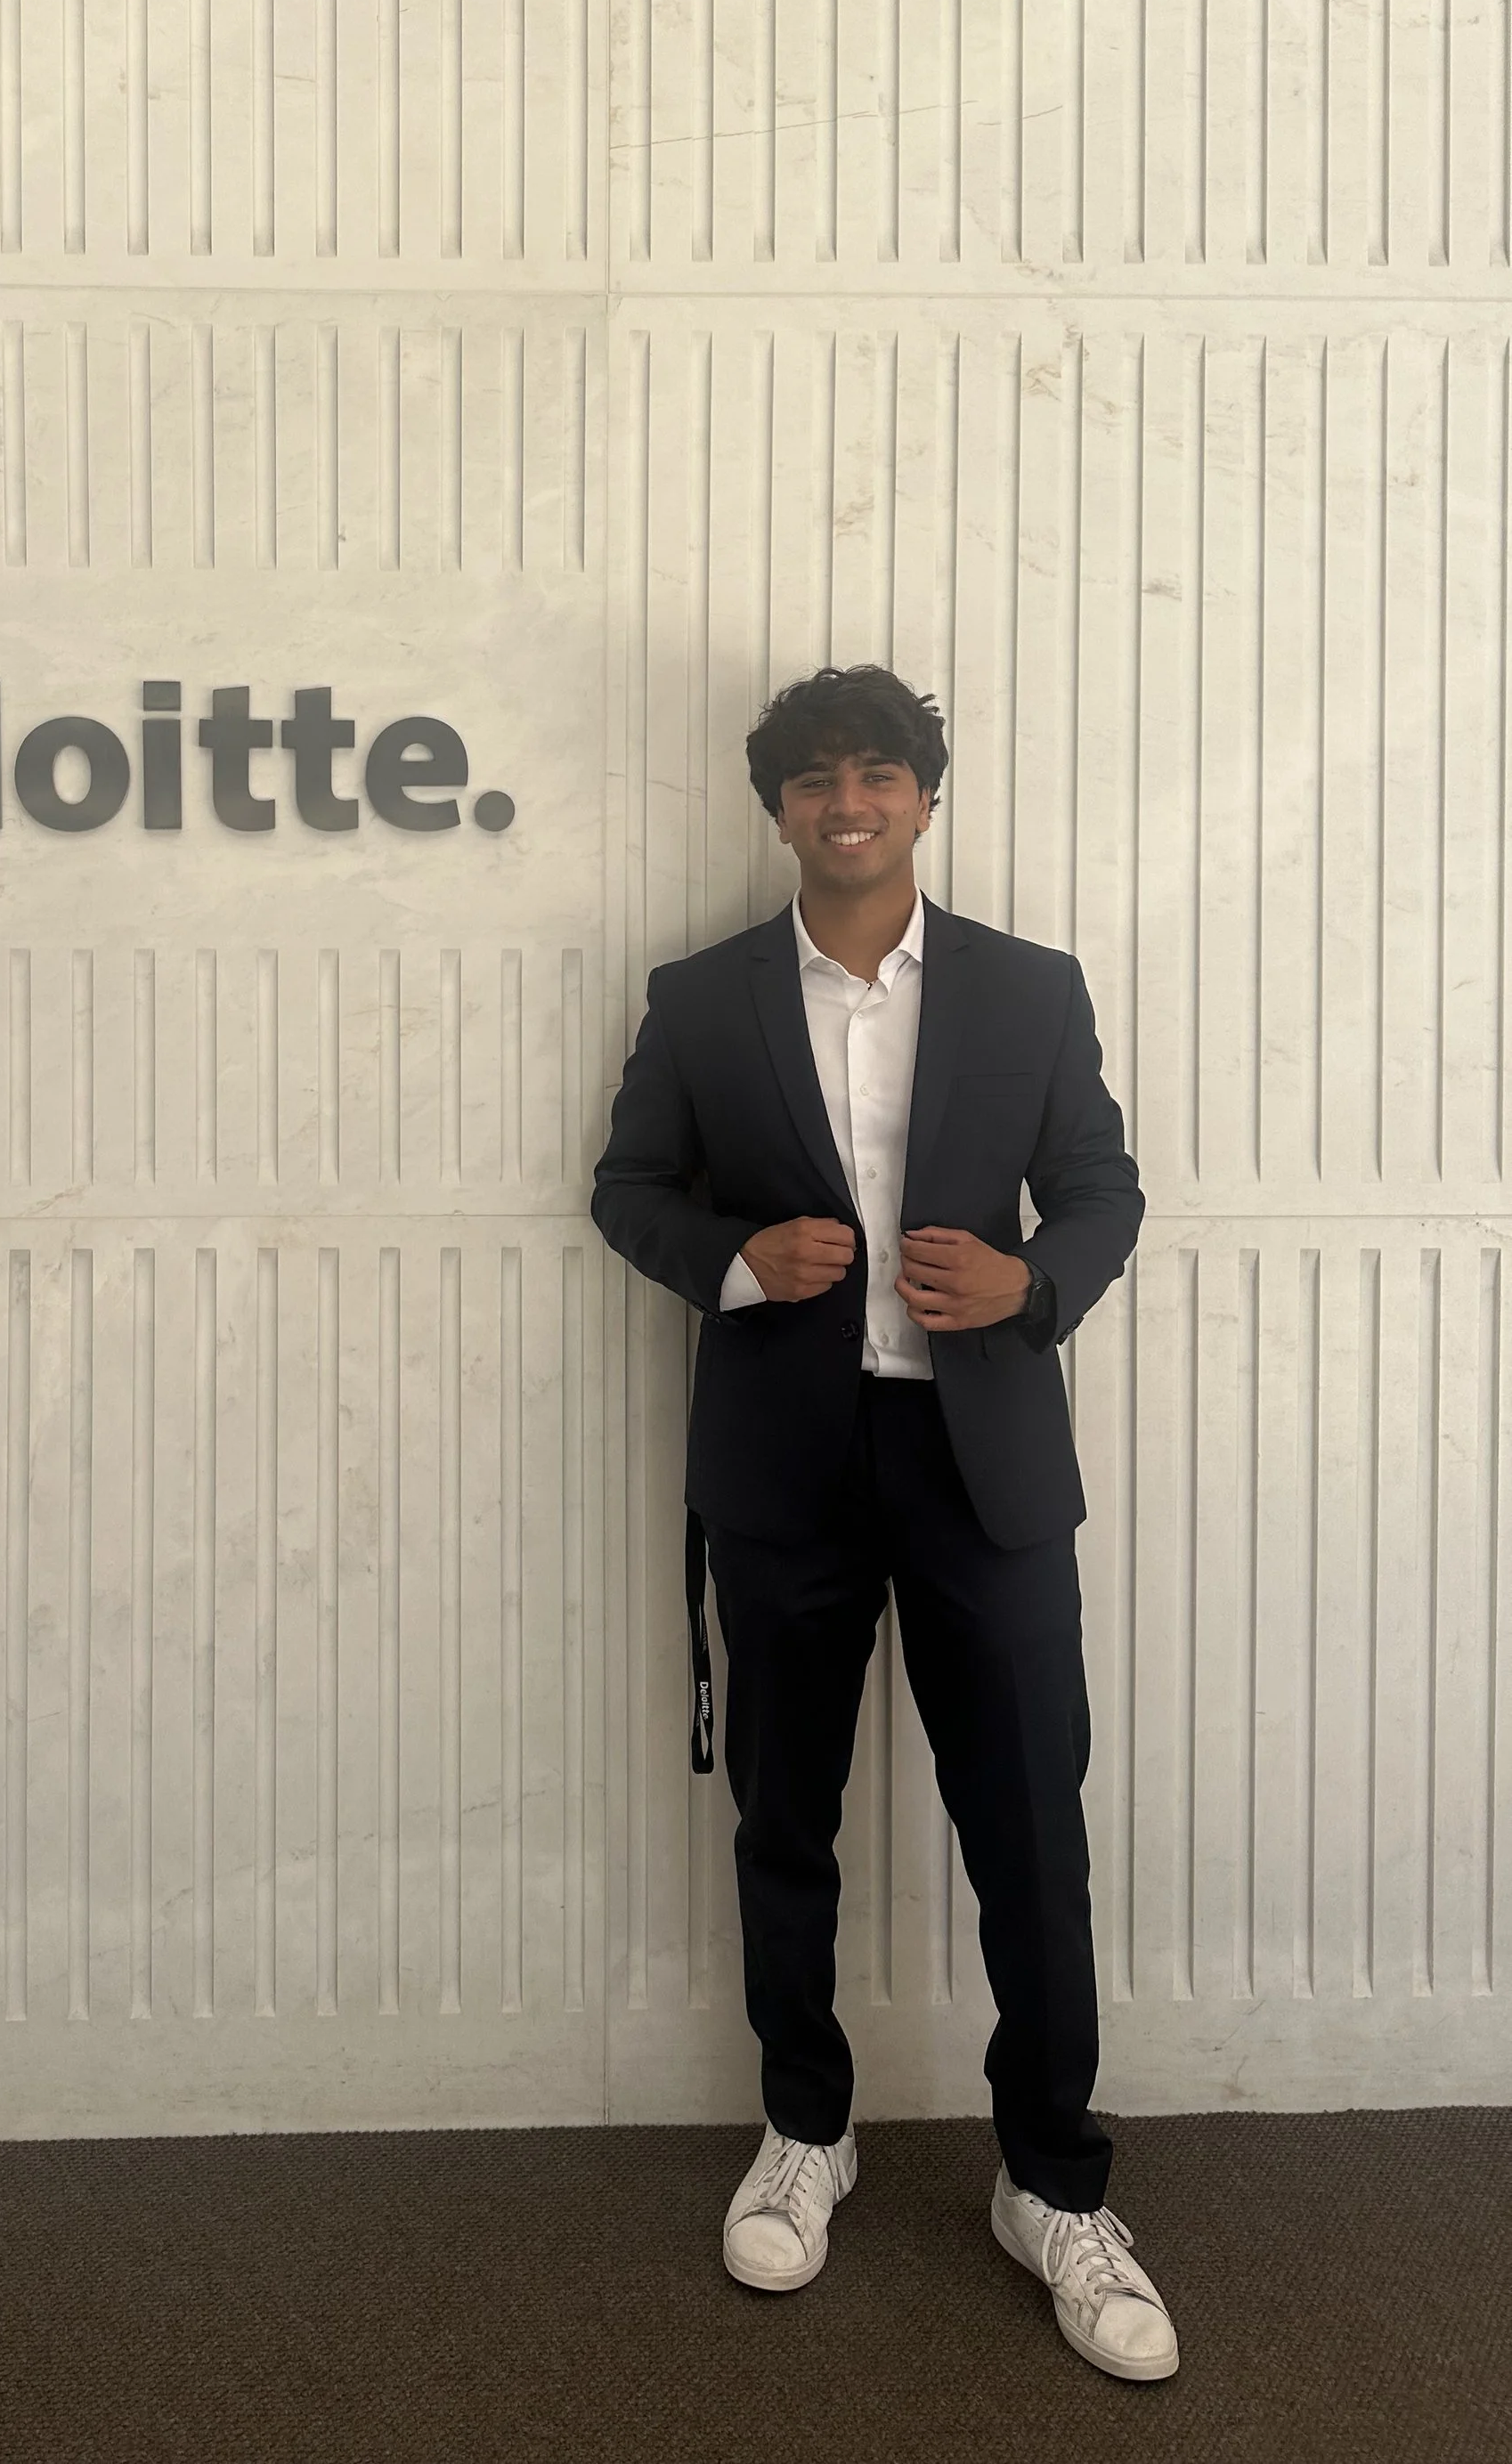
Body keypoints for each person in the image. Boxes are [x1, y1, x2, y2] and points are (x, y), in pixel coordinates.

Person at [591, 664, 1176, 2385]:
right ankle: (806, 2130)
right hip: (782, 1464)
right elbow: (627, 1186)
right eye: (814, 780)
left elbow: (1101, 1186)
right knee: (787, 1823)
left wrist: (1034, 1281)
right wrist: (731, 1260)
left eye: (880, 774)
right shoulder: (700, 1001)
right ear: (777, 808)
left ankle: (1056, 2187)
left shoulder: (1025, 988)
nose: (848, 802)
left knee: (1030, 1838)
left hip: (980, 1464)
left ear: (926, 797)